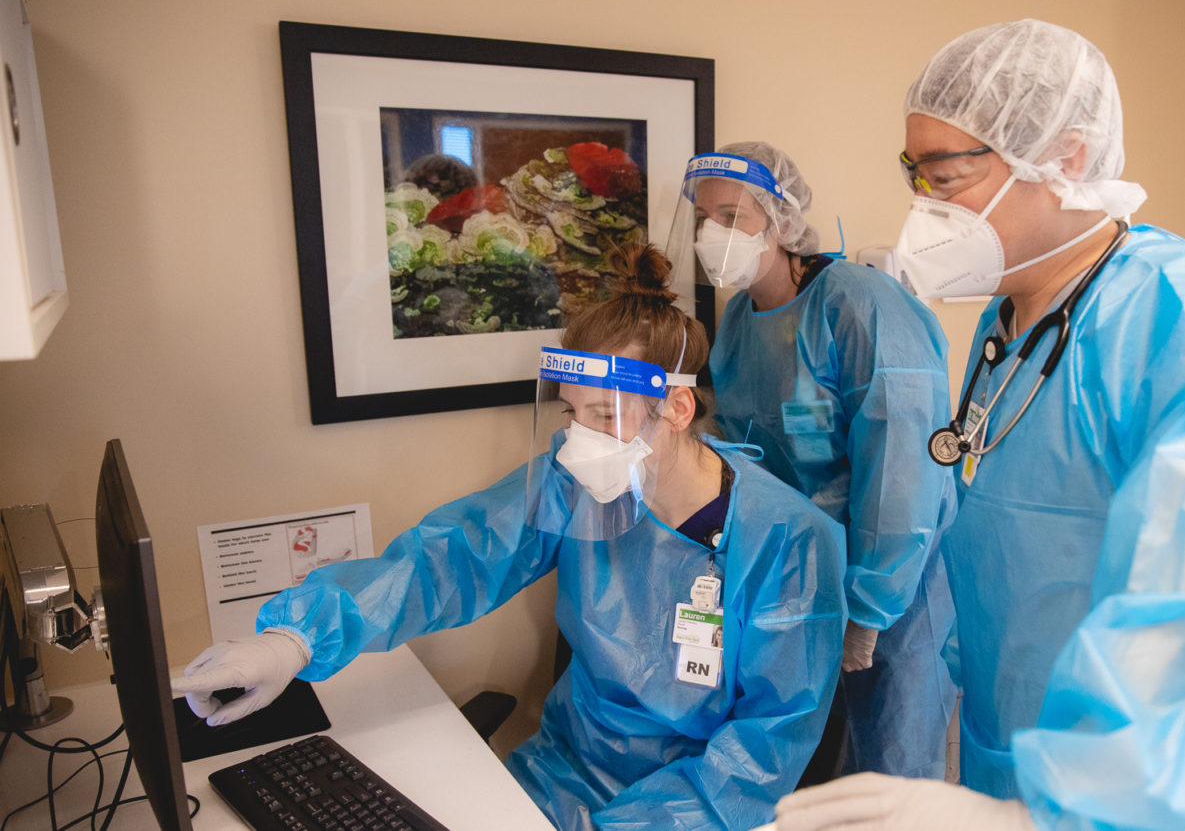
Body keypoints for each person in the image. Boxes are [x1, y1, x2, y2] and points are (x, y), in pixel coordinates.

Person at [775, 19, 1185, 831]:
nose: (922, 208)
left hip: (1142, 787)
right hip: (1004, 741)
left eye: (945, 177)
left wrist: (1064, 811)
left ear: (1068, 158)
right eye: (917, 176)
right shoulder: (1003, 323)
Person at [174, 244, 848, 831]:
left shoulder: (789, 542)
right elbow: (453, 556)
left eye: (605, 415)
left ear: (675, 408)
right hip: (560, 778)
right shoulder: (577, 482)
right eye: (572, 414)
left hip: (692, 809)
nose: (580, 441)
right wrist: (294, 638)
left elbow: (764, 749)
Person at [667, 142, 959, 780]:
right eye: (704, 219)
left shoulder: (859, 304)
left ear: (782, 220)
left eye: (732, 216)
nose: (712, 234)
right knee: (810, 762)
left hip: (894, 584)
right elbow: (751, 461)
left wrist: (870, 607)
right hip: (804, 576)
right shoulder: (740, 319)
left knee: (891, 765)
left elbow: (904, 468)